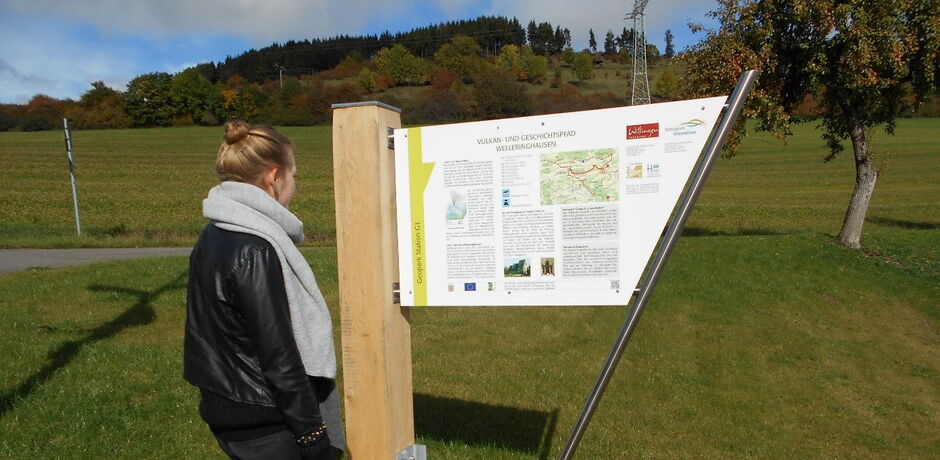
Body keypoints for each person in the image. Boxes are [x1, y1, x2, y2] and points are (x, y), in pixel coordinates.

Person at [184, 120, 343, 459]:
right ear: (274, 177)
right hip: (265, 420)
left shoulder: (214, 231)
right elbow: (279, 355)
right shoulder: (257, 247)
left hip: (226, 405)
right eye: (294, 175)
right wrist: (313, 436)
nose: (294, 186)